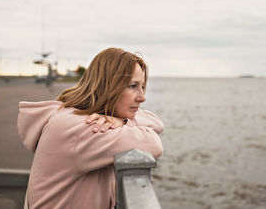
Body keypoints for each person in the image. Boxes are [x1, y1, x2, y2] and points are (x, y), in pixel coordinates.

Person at [17, 48, 164, 209]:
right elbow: (154, 145)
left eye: (142, 86)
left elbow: (155, 122)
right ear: (106, 85)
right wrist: (124, 121)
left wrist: (121, 121)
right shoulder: (85, 129)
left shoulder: (69, 114)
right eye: (132, 86)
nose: (142, 97)